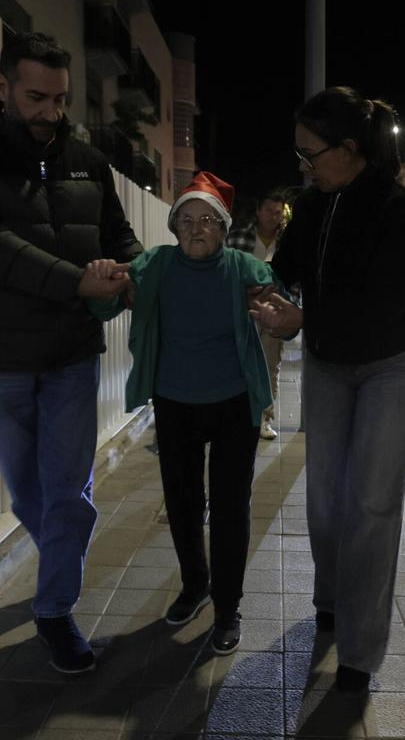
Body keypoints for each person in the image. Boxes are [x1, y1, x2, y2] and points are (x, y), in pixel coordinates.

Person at [0, 31, 141, 675]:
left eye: (61, 98)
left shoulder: (88, 160)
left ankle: (54, 611)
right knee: (33, 494)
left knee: (69, 495)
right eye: (36, 97)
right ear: (1, 87)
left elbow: (122, 237)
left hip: (72, 353)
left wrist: (132, 273)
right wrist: (76, 280)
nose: (52, 111)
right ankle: (56, 575)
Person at [251, 87, 405, 691]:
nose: (303, 165)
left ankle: (360, 653)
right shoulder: (313, 205)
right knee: (324, 498)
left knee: (373, 505)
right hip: (328, 365)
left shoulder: (393, 208)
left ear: (348, 149)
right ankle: (328, 600)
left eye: (311, 153)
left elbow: (390, 307)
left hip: (386, 367)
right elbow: (284, 270)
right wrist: (260, 278)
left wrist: (304, 321)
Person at [89, 172, 285, 656]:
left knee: (230, 507)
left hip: (234, 403)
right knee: (181, 504)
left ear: (223, 228)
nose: (197, 229)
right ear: (174, 227)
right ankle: (195, 586)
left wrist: (276, 309)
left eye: (208, 221)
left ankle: (227, 607)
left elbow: (278, 300)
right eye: (187, 220)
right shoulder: (155, 265)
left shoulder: (243, 268)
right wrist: (99, 284)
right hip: (175, 403)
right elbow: (106, 307)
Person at [226, 188, 289, 439]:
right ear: (259, 211)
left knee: (269, 364)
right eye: (269, 211)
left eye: (278, 212)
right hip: (243, 309)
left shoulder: (286, 243)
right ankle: (238, 414)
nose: (274, 217)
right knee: (238, 362)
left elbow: (295, 279)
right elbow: (227, 271)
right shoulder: (239, 238)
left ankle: (265, 417)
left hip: (275, 309)